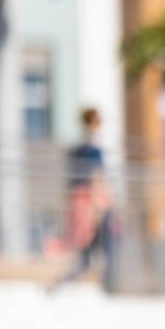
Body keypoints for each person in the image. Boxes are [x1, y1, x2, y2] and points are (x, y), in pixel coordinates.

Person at [52, 108, 117, 292]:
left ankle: (64, 283)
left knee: (86, 255)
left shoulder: (76, 151)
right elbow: (96, 179)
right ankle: (108, 285)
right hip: (90, 203)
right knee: (99, 249)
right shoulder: (92, 152)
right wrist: (96, 206)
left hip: (83, 202)